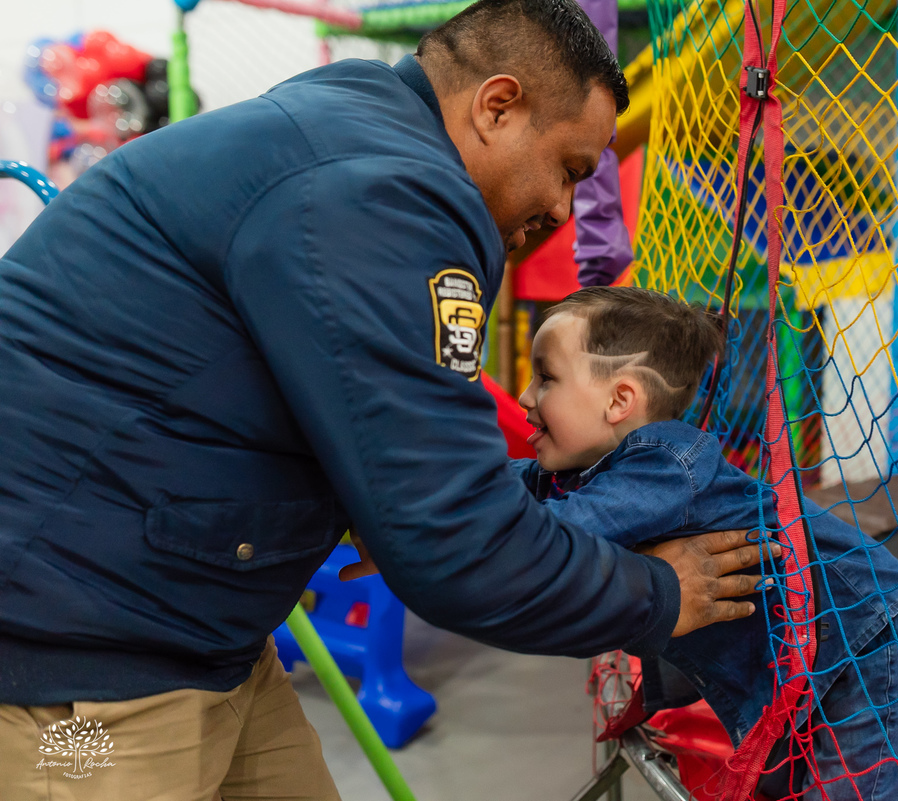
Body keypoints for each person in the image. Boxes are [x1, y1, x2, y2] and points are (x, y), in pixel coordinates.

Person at [0, 2, 770, 798]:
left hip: (199, 632)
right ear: (496, 106)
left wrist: (351, 505)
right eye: (569, 168)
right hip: (82, 672)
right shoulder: (383, 196)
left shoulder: (355, 136)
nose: (563, 210)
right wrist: (661, 593)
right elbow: (457, 549)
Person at [508, 286, 898, 800]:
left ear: (620, 400)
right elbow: (498, 494)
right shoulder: (581, 468)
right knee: (784, 777)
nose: (525, 396)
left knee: (864, 793)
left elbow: (547, 541)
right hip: (792, 641)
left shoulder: (662, 466)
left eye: (545, 378)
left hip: (865, 627)